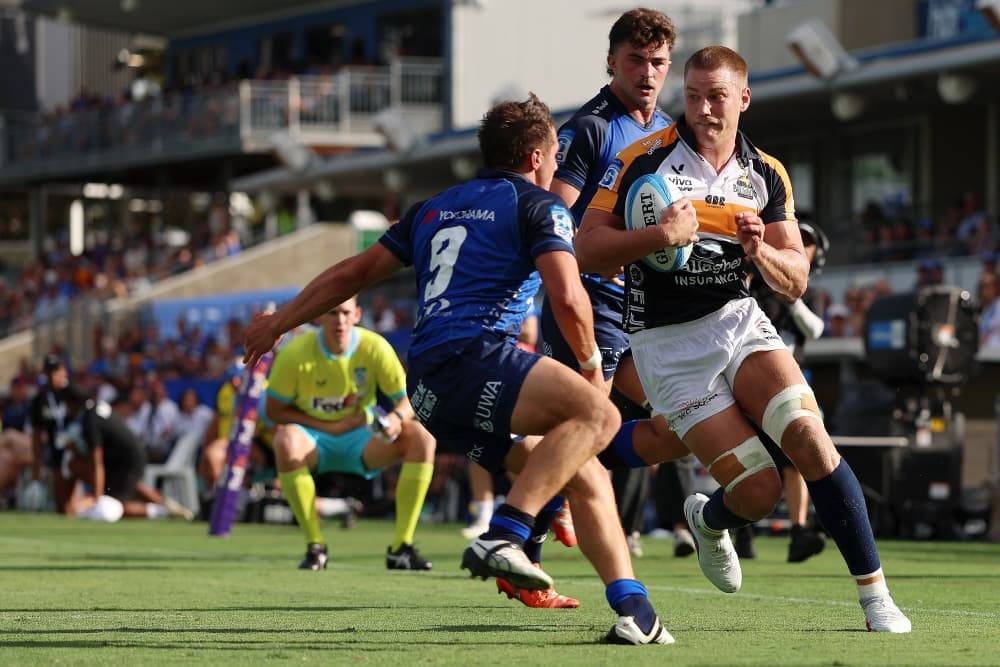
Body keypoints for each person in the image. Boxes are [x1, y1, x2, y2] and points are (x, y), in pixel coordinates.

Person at [244, 94, 676, 645]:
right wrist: (592, 365)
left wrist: (279, 322)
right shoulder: (540, 207)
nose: (556, 164)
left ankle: (635, 611)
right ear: (539, 157)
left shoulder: (434, 207)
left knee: (583, 470)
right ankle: (507, 533)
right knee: (602, 416)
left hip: (427, 386)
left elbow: (352, 274)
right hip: (475, 355)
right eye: (554, 156)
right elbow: (568, 297)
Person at [575, 45, 911, 633]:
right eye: (694, 96)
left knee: (810, 438)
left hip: (739, 319)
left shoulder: (766, 173)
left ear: (744, 99)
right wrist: (657, 236)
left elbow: (795, 277)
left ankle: (875, 596)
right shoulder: (641, 161)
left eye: (717, 97)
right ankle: (709, 521)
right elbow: (586, 248)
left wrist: (759, 252)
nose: (704, 109)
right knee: (759, 492)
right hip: (667, 343)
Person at [499, 6, 682, 604]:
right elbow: (552, 214)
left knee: (670, 423)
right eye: (636, 60)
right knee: (591, 423)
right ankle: (519, 547)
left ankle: (554, 495)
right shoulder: (591, 129)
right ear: (611, 62)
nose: (647, 73)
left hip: (647, 308)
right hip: (593, 303)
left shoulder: (671, 132)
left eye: (658, 62)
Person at [263, 294, 437, 572]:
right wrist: (328, 426)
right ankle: (315, 546)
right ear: (320, 316)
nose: (340, 321)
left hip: (362, 440)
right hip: (314, 440)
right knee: (285, 439)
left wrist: (395, 418)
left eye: (345, 313)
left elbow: (408, 398)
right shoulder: (295, 353)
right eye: (332, 313)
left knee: (422, 437)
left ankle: (401, 548)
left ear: (357, 315)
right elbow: (273, 411)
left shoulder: (374, 346)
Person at [741, 219, 830, 563]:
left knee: (796, 458)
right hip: (751, 380)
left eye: (808, 242)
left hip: (791, 384)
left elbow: (816, 329)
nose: (801, 246)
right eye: (798, 239)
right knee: (747, 455)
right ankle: (742, 530)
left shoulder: (809, 294)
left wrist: (791, 297)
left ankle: (798, 531)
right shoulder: (757, 285)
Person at [55, 386, 193, 520]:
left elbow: (96, 462)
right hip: (126, 459)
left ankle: (162, 512)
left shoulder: (90, 419)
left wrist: (98, 499)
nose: (66, 409)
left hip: (127, 462)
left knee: (115, 505)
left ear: (71, 402)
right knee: (130, 485)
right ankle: (166, 505)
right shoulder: (95, 407)